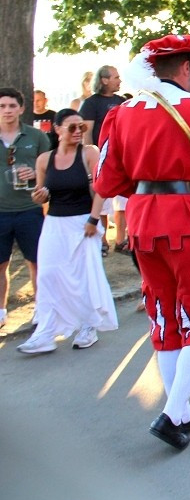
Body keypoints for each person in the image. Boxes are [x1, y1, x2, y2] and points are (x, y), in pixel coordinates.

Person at [95, 34, 190, 451]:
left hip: (143, 220)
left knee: (164, 313)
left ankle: (179, 412)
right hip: (184, 216)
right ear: (186, 68)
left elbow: (107, 180)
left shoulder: (121, 113)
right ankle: (171, 411)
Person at [17, 108, 118, 353]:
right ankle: (46, 332)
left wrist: (94, 221)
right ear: (57, 129)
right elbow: (41, 195)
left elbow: (101, 189)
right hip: (54, 223)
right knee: (49, 275)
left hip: (83, 220)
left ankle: (87, 326)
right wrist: (39, 195)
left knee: (83, 276)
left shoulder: (89, 153)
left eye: (81, 127)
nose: (77, 131)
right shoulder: (44, 159)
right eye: (71, 127)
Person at [0, 88, 51, 330]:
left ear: (21, 109)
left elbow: (51, 168)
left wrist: (35, 174)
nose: (7, 111)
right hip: (0, 210)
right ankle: (1, 312)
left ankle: (41, 309)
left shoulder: (36, 136)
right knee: (1, 264)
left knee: (36, 261)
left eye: (12, 106)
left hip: (29, 208)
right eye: (2, 106)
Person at [79, 65, 127, 257]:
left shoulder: (122, 102)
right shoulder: (91, 103)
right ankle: (102, 239)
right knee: (102, 202)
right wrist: (91, 156)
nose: (119, 80)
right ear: (104, 80)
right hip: (101, 159)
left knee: (123, 202)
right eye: (116, 77)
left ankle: (121, 240)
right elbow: (87, 131)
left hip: (121, 158)